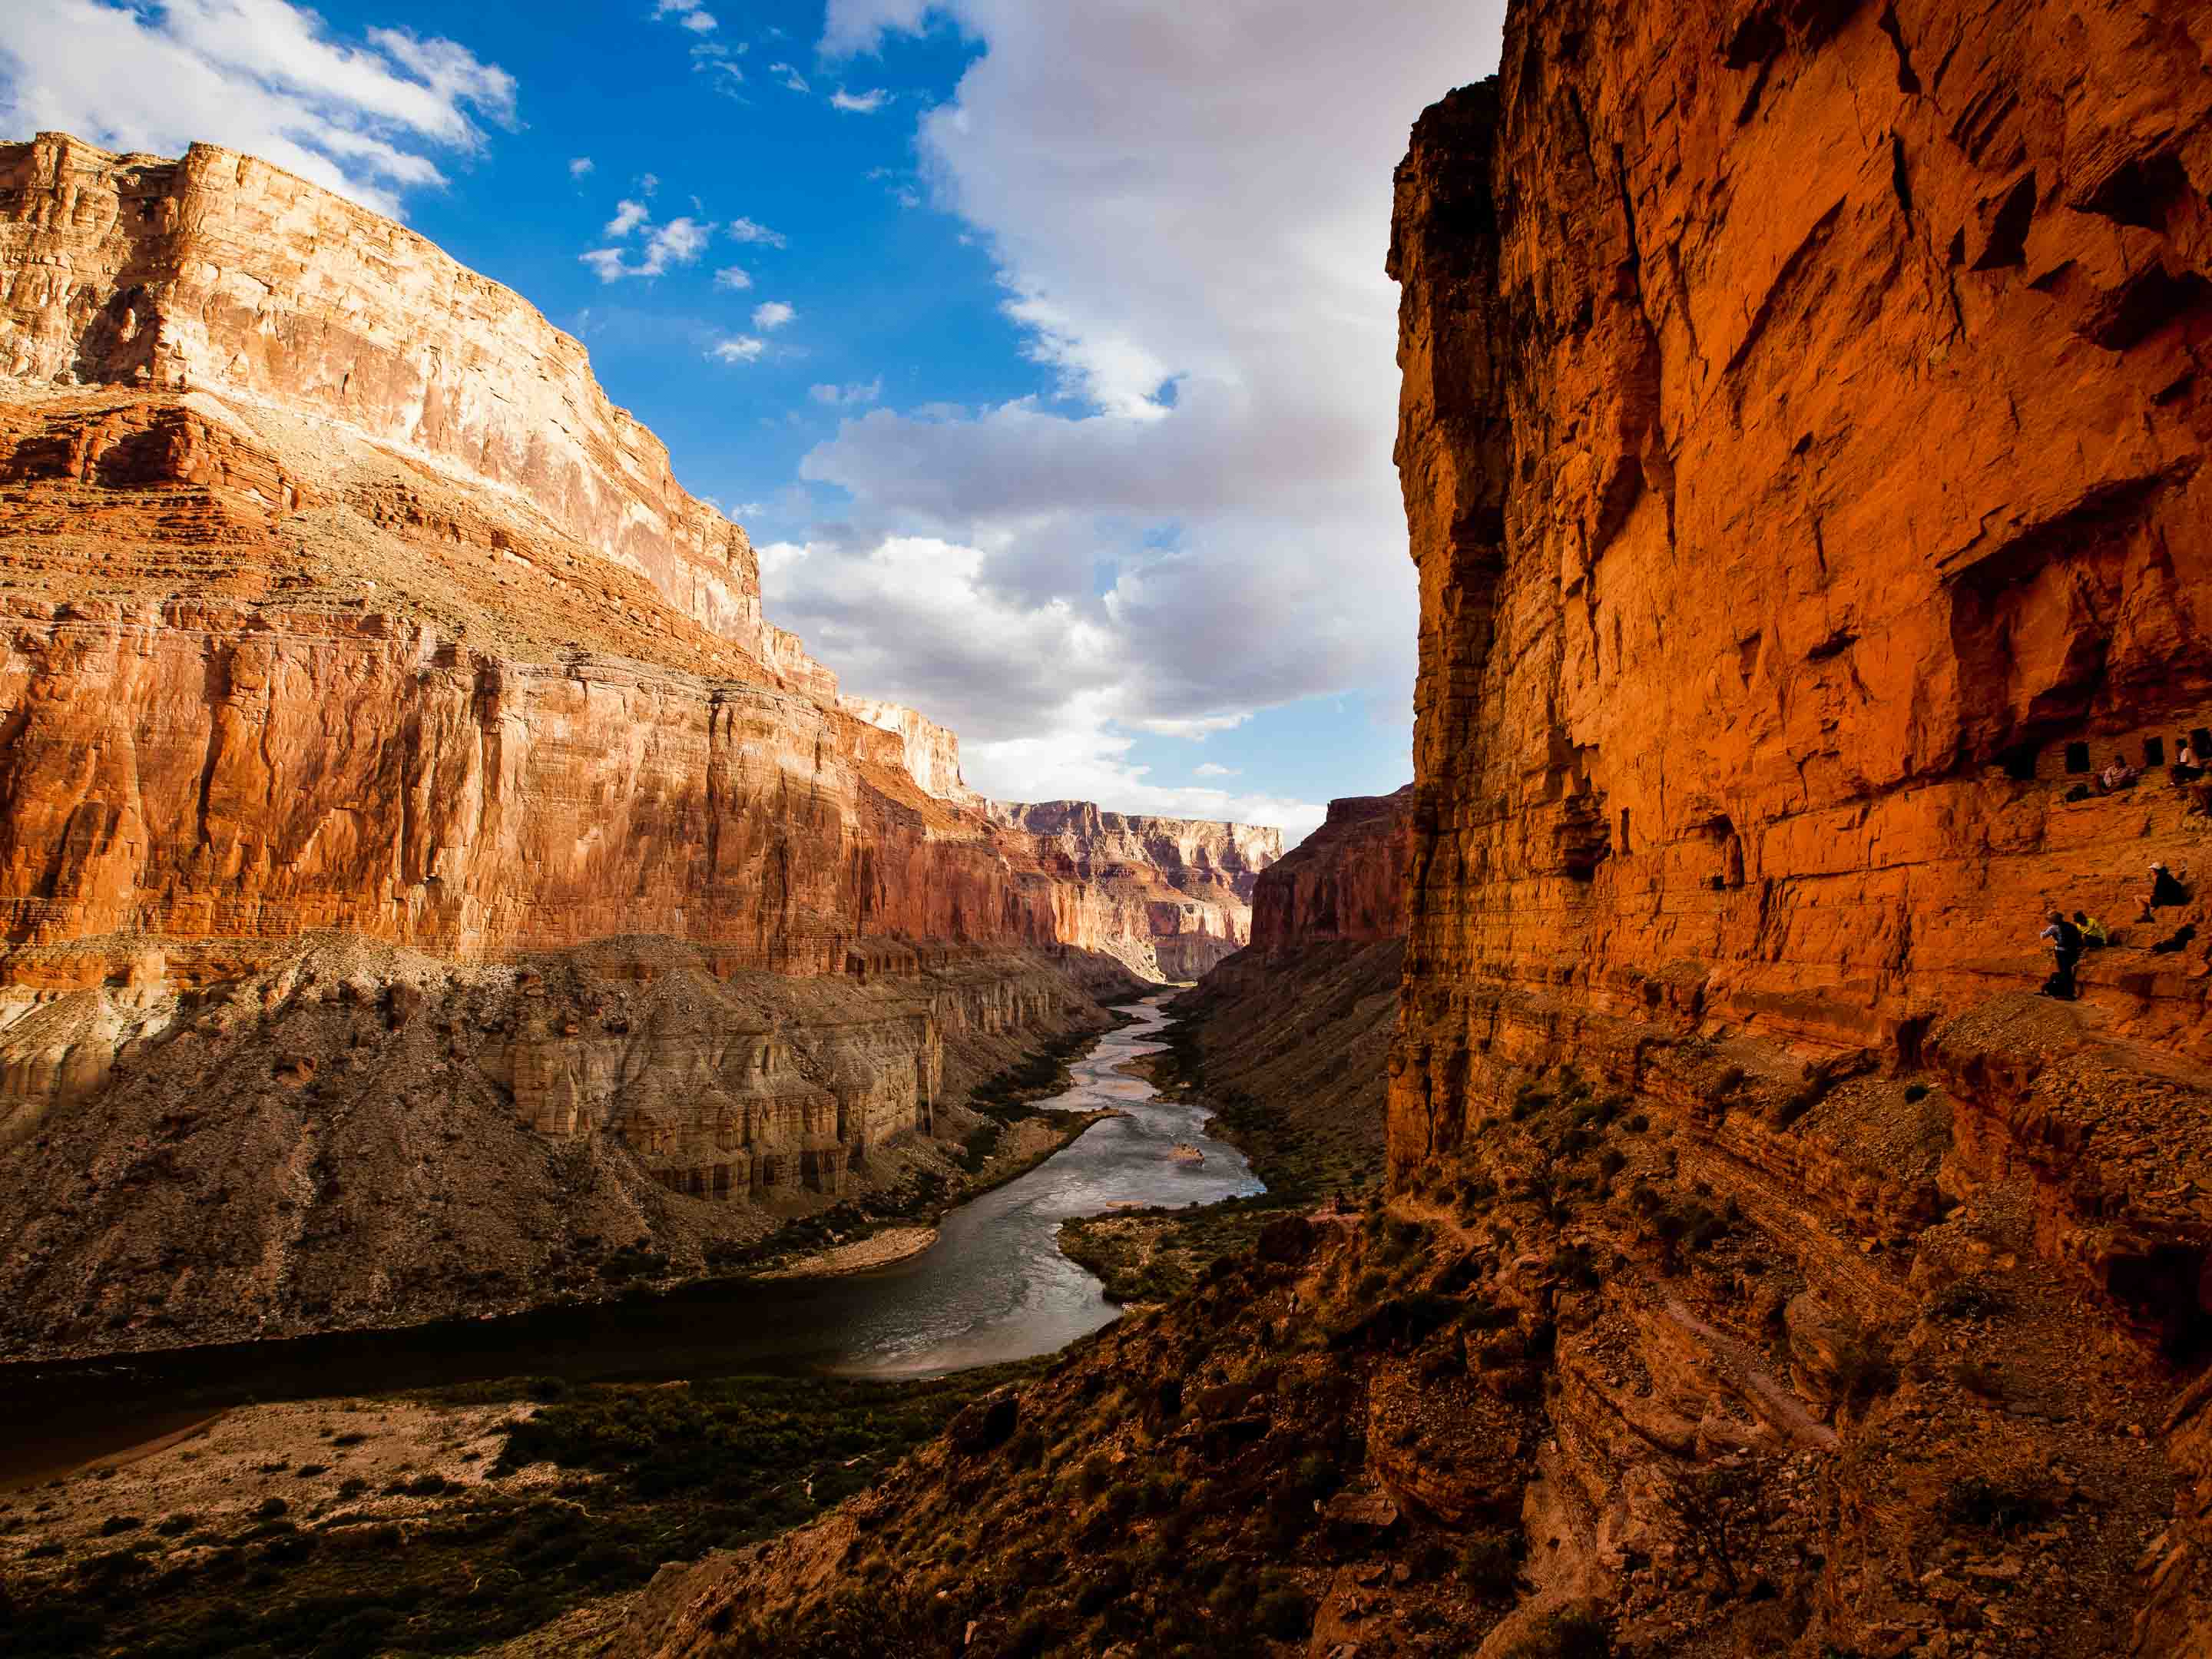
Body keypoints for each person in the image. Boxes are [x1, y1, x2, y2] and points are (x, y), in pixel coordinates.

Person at [2041, 910, 2085, 998]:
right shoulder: (2070, 925)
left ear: (2052, 920)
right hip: (2073, 952)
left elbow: (2043, 937)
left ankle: (2067, 994)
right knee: (2067, 971)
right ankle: (2067, 992)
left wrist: (2043, 931)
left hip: (2061, 952)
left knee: (2065, 972)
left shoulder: (2054, 927)